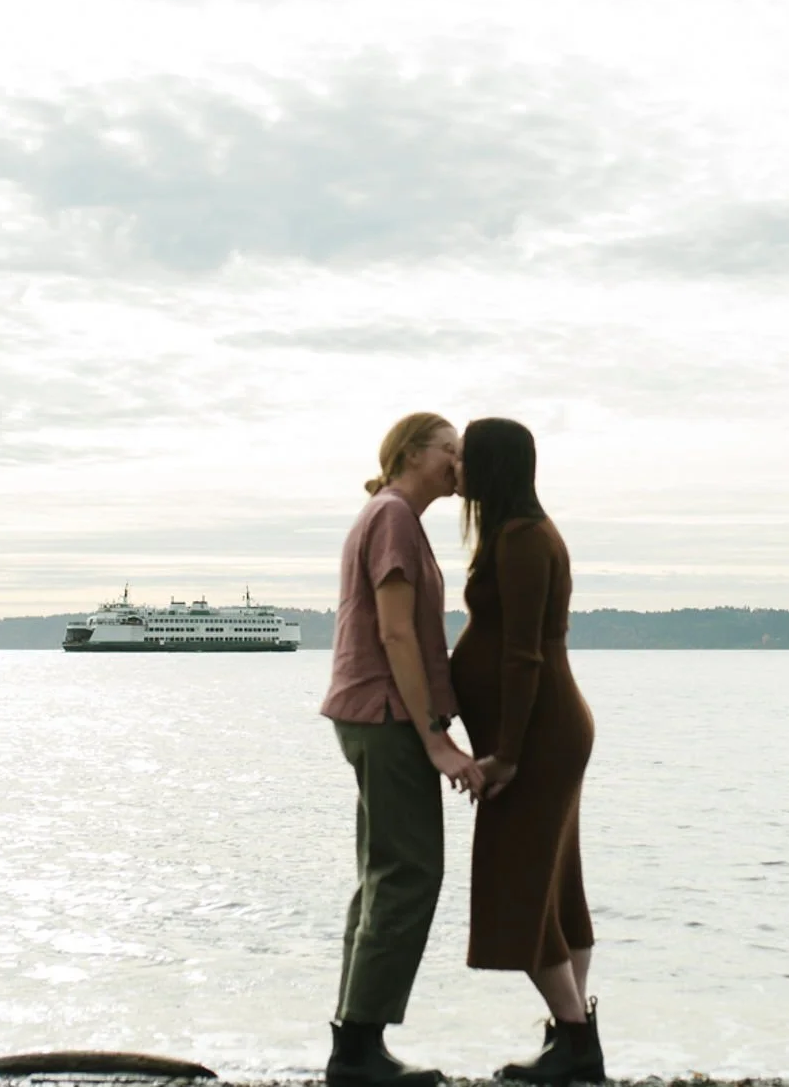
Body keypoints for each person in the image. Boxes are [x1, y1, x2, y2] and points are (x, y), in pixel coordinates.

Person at [321, 412, 483, 1087]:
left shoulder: (393, 517)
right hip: (384, 714)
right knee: (409, 872)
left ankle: (356, 1042)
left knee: (386, 871)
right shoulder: (391, 518)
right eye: (449, 449)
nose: (458, 462)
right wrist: (438, 741)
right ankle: (358, 1050)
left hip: (375, 712)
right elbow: (395, 636)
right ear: (412, 452)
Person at [450, 418, 604, 1086]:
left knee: (522, 885)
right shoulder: (522, 532)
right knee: (556, 886)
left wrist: (507, 755)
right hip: (545, 730)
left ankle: (575, 1044)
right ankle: (573, 1039)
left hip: (538, 736)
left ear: (493, 467)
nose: (456, 469)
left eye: (466, 458)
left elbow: (522, 656)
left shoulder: (519, 539)